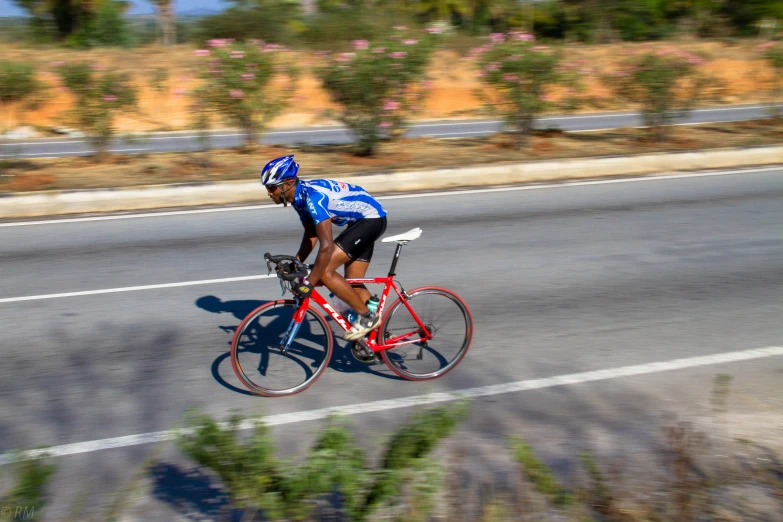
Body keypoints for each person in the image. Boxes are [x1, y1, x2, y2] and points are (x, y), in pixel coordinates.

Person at [261, 154, 388, 341]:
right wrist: (296, 263)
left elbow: (326, 247)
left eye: (271, 188)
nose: (269, 193)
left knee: (325, 272)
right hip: (359, 223)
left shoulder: (313, 198)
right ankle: (378, 338)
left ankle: (368, 318)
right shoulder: (299, 197)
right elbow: (311, 234)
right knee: (353, 282)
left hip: (370, 220)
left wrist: (309, 283)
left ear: (287, 183)